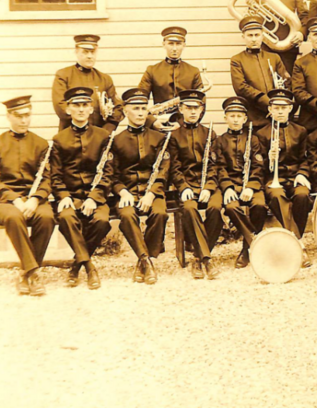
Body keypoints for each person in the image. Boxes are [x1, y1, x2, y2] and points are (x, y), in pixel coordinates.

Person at [0, 95, 54, 296]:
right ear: (9, 116)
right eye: (19, 116)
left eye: (28, 116)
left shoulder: (40, 144)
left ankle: (26, 274)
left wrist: (35, 198)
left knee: (47, 217)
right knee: (14, 217)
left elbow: (47, 179)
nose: (25, 121)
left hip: (34, 200)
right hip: (5, 201)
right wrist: (14, 199)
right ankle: (33, 273)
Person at [50, 87, 113, 289]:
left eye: (85, 105)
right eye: (76, 105)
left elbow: (108, 172)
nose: (80, 109)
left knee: (102, 221)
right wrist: (62, 196)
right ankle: (89, 267)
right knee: (66, 218)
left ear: (91, 109)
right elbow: (55, 174)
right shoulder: (59, 140)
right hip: (71, 197)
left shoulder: (103, 136)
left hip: (96, 196)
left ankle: (76, 266)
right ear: (68, 110)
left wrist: (94, 198)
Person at [111, 88, 171, 285]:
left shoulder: (159, 138)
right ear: (126, 111)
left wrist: (152, 194)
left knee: (160, 213)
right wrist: (122, 191)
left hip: (152, 192)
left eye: (144, 108)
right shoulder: (116, 140)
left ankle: (144, 260)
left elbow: (163, 170)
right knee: (127, 214)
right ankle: (146, 260)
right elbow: (111, 174)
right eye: (135, 108)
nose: (139, 113)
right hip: (127, 192)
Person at [168, 90, 219, 280]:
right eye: (188, 108)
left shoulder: (209, 133)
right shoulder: (174, 135)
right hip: (187, 185)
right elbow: (174, 167)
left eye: (196, 108)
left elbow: (216, 166)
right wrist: (184, 188)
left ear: (202, 109)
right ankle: (206, 259)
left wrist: (208, 188)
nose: (192, 112)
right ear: (181, 109)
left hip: (208, 185)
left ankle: (198, 257)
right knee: (189, 208)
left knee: (215, 208)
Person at [256, 89, 311, 260]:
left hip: (295, 176)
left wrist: (302, 173)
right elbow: (258, 165)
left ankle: (294, 238)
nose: (280, 111)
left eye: (284, 107)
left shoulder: (300, 131)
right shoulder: (262, 133)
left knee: (302, 195)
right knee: (277, 196)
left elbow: (305, 158)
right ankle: (297, 243)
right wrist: (268, 159)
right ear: (270, 110)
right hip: (274, 179)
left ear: (290, 109)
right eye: (276, 108)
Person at [214, 96, 267, 269]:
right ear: (225, 118)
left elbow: (259, 166)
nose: (235, 120)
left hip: (250, 185)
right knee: (230, 207)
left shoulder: (253, 139)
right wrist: (228, 188)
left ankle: (246, 249)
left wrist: (251, 187)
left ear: (245, 119)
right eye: (232, 116)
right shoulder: (220, 141)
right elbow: (219, 168)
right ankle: (255, 241)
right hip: (231, 185)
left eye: (239, 116)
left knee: (259, 205)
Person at [51, 35, 123, 132]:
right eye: (85, 52)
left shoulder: (105, 79)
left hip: (100, 136)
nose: (89, 56)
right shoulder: (64, 75)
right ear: (76, 52)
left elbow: (118, 107)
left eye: (92, 52)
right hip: (72, 134)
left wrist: (107, 129)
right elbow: (60, 107)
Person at [138, 27, 204, 131]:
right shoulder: (152, 70)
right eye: (170, 43)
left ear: (184, 45)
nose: (174, 48)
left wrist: (181, 123)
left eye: (178, 44)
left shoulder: (193, 71)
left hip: (186, 128)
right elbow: (139, 100)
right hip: (158, 126)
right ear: (164, 44)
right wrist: (152, 121)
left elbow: (202, 103)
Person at [229, 16, 290, 129]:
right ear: (243, 37)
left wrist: (279, 104)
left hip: (276, 114)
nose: (253, 39)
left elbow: (286, 82)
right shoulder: (237, 60)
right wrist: (267, 102)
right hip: (254, 116)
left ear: (262, 36)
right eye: (250, 35)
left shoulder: (274, 57)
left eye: (257, 35)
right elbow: (240, 87)